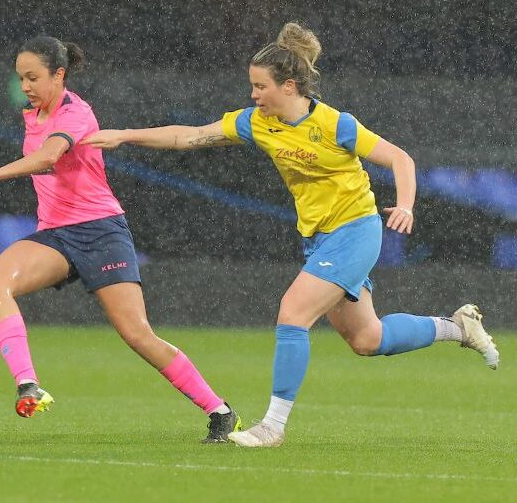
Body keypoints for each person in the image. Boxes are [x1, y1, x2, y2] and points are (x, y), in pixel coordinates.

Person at [82, 22, 500, 448]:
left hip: (356, 230)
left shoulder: (335, 124)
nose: (253, 95)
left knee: (292, 312)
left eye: (260, 86)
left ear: (288, 86)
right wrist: (124, 135)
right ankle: (458, 327)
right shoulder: (256, 123)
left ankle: (272, 427)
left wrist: (406, 205)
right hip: (319, 239)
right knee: (366, 339)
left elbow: (400, 159)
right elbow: (188, 136)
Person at [0, 36, 241, 443]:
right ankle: (28, 385)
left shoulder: (76, 112)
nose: (26, 86)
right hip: (54, 235)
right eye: (21, 78)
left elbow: (50, 157)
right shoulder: (32, 114)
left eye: (33, 77)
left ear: (59, 74)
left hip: (101, 231)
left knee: (137, 334)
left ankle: (220, 411)